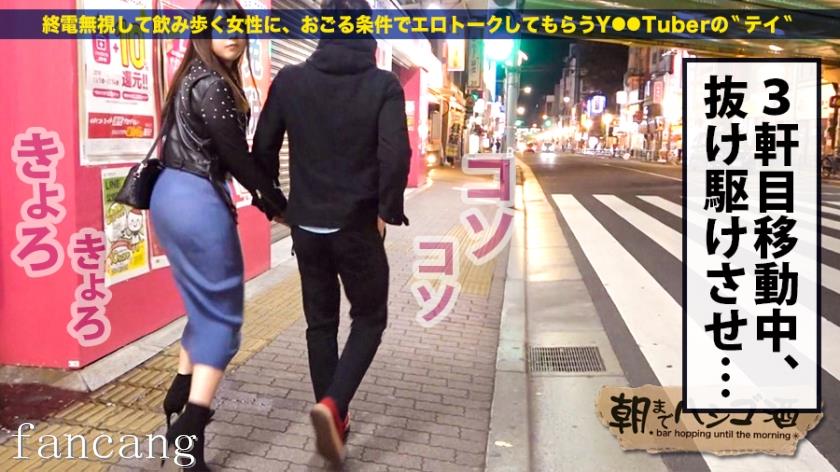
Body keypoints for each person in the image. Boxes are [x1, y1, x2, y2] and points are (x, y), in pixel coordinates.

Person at [252, 0, 411, 464]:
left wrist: (276, 206)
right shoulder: (382, 85)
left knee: (320, 324)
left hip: (306, 227)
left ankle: (333, 418)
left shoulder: (290, 80)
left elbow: (262, 148)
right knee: (369, 318)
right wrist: (386, 211)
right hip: (357, 225)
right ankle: (334, 405)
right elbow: (395, 155)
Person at [149, 1, 287, 469]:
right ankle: (191, 426)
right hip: (198, 201)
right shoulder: (212, 84)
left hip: (170, 196)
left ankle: (180, 391)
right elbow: (235, 156)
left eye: (239, 26)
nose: (233, 34)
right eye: (221, 27)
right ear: (202, 33)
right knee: (223, 318)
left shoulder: (187, 78)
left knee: (202, 306)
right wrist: (278, 207)